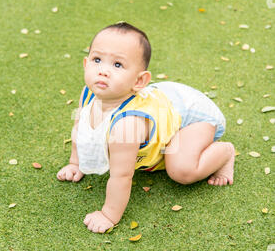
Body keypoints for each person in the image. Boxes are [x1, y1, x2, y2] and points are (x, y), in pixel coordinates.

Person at [57, 22, 235, 233]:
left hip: (191, 115)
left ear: (139, 80)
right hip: (166, 102)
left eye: (117, 65)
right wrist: (75, 163)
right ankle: (162, 138)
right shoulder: (89, 93)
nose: (103, 71)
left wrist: (108, 215)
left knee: (181, 170)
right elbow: (81, 129)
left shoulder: (127, 124)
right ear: (86, 64)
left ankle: (226, 152)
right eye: (97, 60)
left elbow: (121, 176)